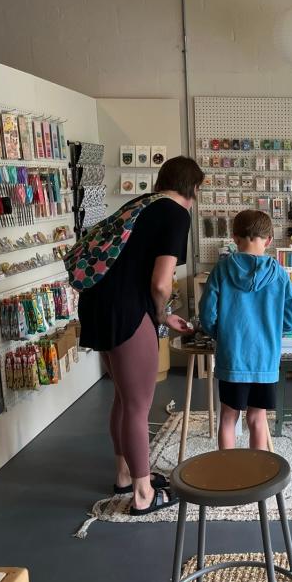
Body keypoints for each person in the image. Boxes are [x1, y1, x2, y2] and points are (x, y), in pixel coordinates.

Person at [78, 156, 203, 515]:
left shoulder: (139, 204)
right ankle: (144, 493)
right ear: (193, 188)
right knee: (138, 405)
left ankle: (125, 474)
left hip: (98, 306)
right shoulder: (177, 213)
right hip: (128, 311)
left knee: (122, 396)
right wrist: (162, 316)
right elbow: (161, 282)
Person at [199, 210, 292, 451]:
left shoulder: (221, 270)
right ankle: (259, 480)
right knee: (257, 418)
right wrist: (274, 330)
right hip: (265, 360)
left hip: (232, 357)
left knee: (228, 417)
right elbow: (291, 321)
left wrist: (221, 335)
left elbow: (207, 315)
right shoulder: (280, 275)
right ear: (269, 240)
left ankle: (227, 478)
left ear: (235, 238)